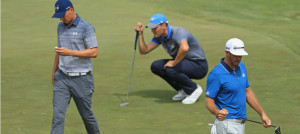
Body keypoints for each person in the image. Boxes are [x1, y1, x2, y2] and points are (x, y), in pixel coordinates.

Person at [134, 13, 208, 104]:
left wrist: (173, 63)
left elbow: (184, 48)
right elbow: (144, 50)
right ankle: (183, 89)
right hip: (184, 63)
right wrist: (140, 34)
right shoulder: (159, 36)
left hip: (199, 66)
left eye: (155, 28)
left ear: (164, 25)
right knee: (156, 66)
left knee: (170, 68)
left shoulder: (178, 32)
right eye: (151, 28)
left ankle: (193, 89)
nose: (152, 30)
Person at [50, 0, 100, 133]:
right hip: (62, 78)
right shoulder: (60, 26)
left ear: (71, 10)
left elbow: (94, 52)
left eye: (62, 14)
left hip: (82, 80)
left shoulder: (86, 27)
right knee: (57, 117)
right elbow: (60, 51)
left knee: (87, 116)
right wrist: (54, 71)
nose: (61, 18)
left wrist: (70, 52)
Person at [205, 38, 272, 134]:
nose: (239, 58)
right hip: (226, 125)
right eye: (235, 55)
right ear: (227, 52)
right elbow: (208, 100)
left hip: (240, 125)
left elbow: (247, 91)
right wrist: (217, 112)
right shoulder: (216, 74)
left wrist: (262, 114)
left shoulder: (241, 67)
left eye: (240, 55)